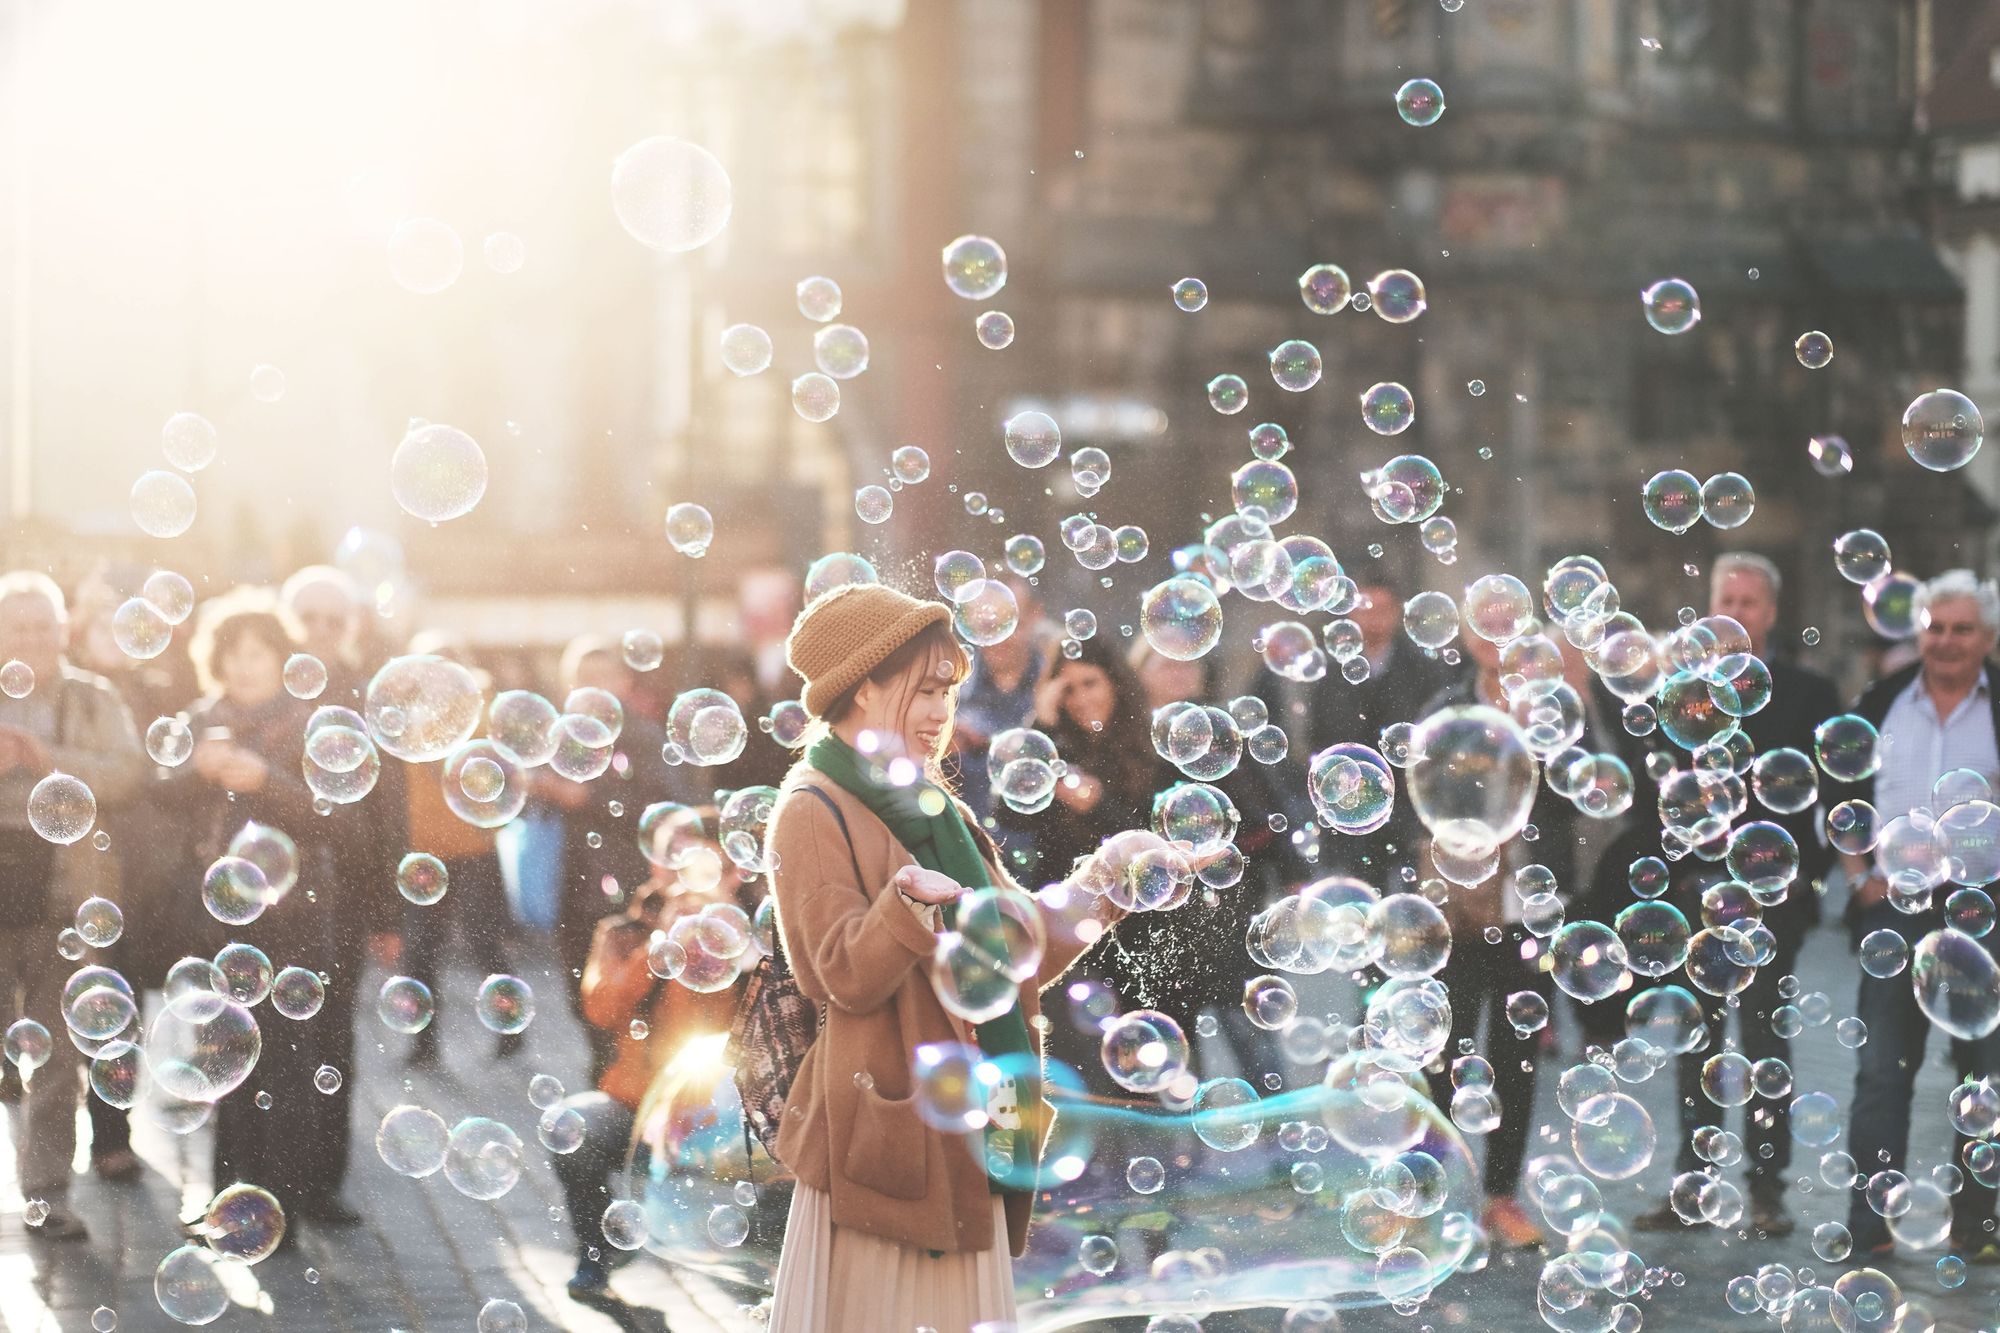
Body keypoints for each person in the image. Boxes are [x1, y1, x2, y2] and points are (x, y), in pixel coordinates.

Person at [764, 583, 1131, 1331]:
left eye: (948, 690)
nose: (943, 712)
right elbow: (837, 973)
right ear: (863, 688)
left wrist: (1107, 882)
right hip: (887, 1141)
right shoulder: (812, 805)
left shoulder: (936, 807)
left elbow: (1014, 942)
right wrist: (906, 905)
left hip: (972, 1122)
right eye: (926, 690)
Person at [1633, 553, 1839, 1238]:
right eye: (1728, 599)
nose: (1739, 612)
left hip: (1772, 902)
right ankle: (1694, 1186)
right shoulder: (1682, 693)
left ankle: (1766, 1191)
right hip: (1693, 895)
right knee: (1696, 1046)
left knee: (1762, 1047)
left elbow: (1834, 800)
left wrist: (1803, 887)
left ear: (1771, 613)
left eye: (1750, 601)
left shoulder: (1809, 692)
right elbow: (1656, 793)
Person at [161, 588, 357, 1225]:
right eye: (234, 654)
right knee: (224, 1059)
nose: (245, 665)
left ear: (282, 659)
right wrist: (199, 771)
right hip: (217, 919)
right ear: (215, 661)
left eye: (259, 653)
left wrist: (265, 781)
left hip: (294, 920)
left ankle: (285, 1208)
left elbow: (340, 816)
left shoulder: (307, 722)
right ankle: (229, 1201)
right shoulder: (199, 720)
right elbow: (154, 797)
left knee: (291, 1066)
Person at [1836, 570, 2000, 1258]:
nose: (1947, 641)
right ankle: (1869, 1226)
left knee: (1985, 1073)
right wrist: (1859, 877)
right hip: (1896, 909)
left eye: (1962, 628)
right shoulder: (1880, 701)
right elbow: (1839, 797)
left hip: (1986, 908)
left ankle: (1980, 1226)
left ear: (1988, 637)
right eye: (1936, 627)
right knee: (1881, 1068)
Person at [1415, 619, 1581, 1252]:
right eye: (1482, 627)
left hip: (1526, 907)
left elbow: (1579, 798)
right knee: (1446, 1051)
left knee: (1515, 1059)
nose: (1495, 639)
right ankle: (1440, 1195)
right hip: (1459, 908)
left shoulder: (1557, 712)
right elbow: (1423, 800)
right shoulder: (1444, 711)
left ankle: (1502, 1197)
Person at [0, 572, 147, 1239]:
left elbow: (126, 771)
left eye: (40, 625)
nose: (28, 636)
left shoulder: (93, 697)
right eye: (16, 624)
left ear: (63, 630)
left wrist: (45, 755)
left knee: (56, 1053)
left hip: (64, 893)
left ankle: (46, 1194)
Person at [555, 805, 744, 1311]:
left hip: (722, 1113)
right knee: (571, 1127)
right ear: (657, 867)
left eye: (707, 866)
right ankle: (597, 1256)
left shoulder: (756, 940)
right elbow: (599, 1008)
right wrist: (662, 946)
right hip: (635, 1105)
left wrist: (732, 941)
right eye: (676, 861)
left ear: (733, 873)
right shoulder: (623, 933)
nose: (686, 876)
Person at [536, 634, 689, 1079]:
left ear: (624, 683)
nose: (593, 688)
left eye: (602, 678)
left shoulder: (643, 736)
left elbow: (665, 806)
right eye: (582, 680)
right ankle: (605, 1076)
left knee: (629, 997)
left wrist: (587, 796)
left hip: (630, 887)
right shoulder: (566, 742)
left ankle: (617, 1090)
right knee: (580, 991)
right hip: (577, 884)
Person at [1259, 569, 1449, 883]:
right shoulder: (1324, 668)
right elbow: (1310, 731)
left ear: (1397, 613)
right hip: (1341, 802)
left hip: (1406, 807)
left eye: (1382, 610)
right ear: (1349, 613)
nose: (1373, 619)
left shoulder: (1422, 668)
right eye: (1365, 609)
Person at [950, 576, 1051, 821]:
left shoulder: (1059, 688)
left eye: (1010, 624)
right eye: (986, 627)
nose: (998, 638)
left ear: (1036, 615)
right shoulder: (949, 693)